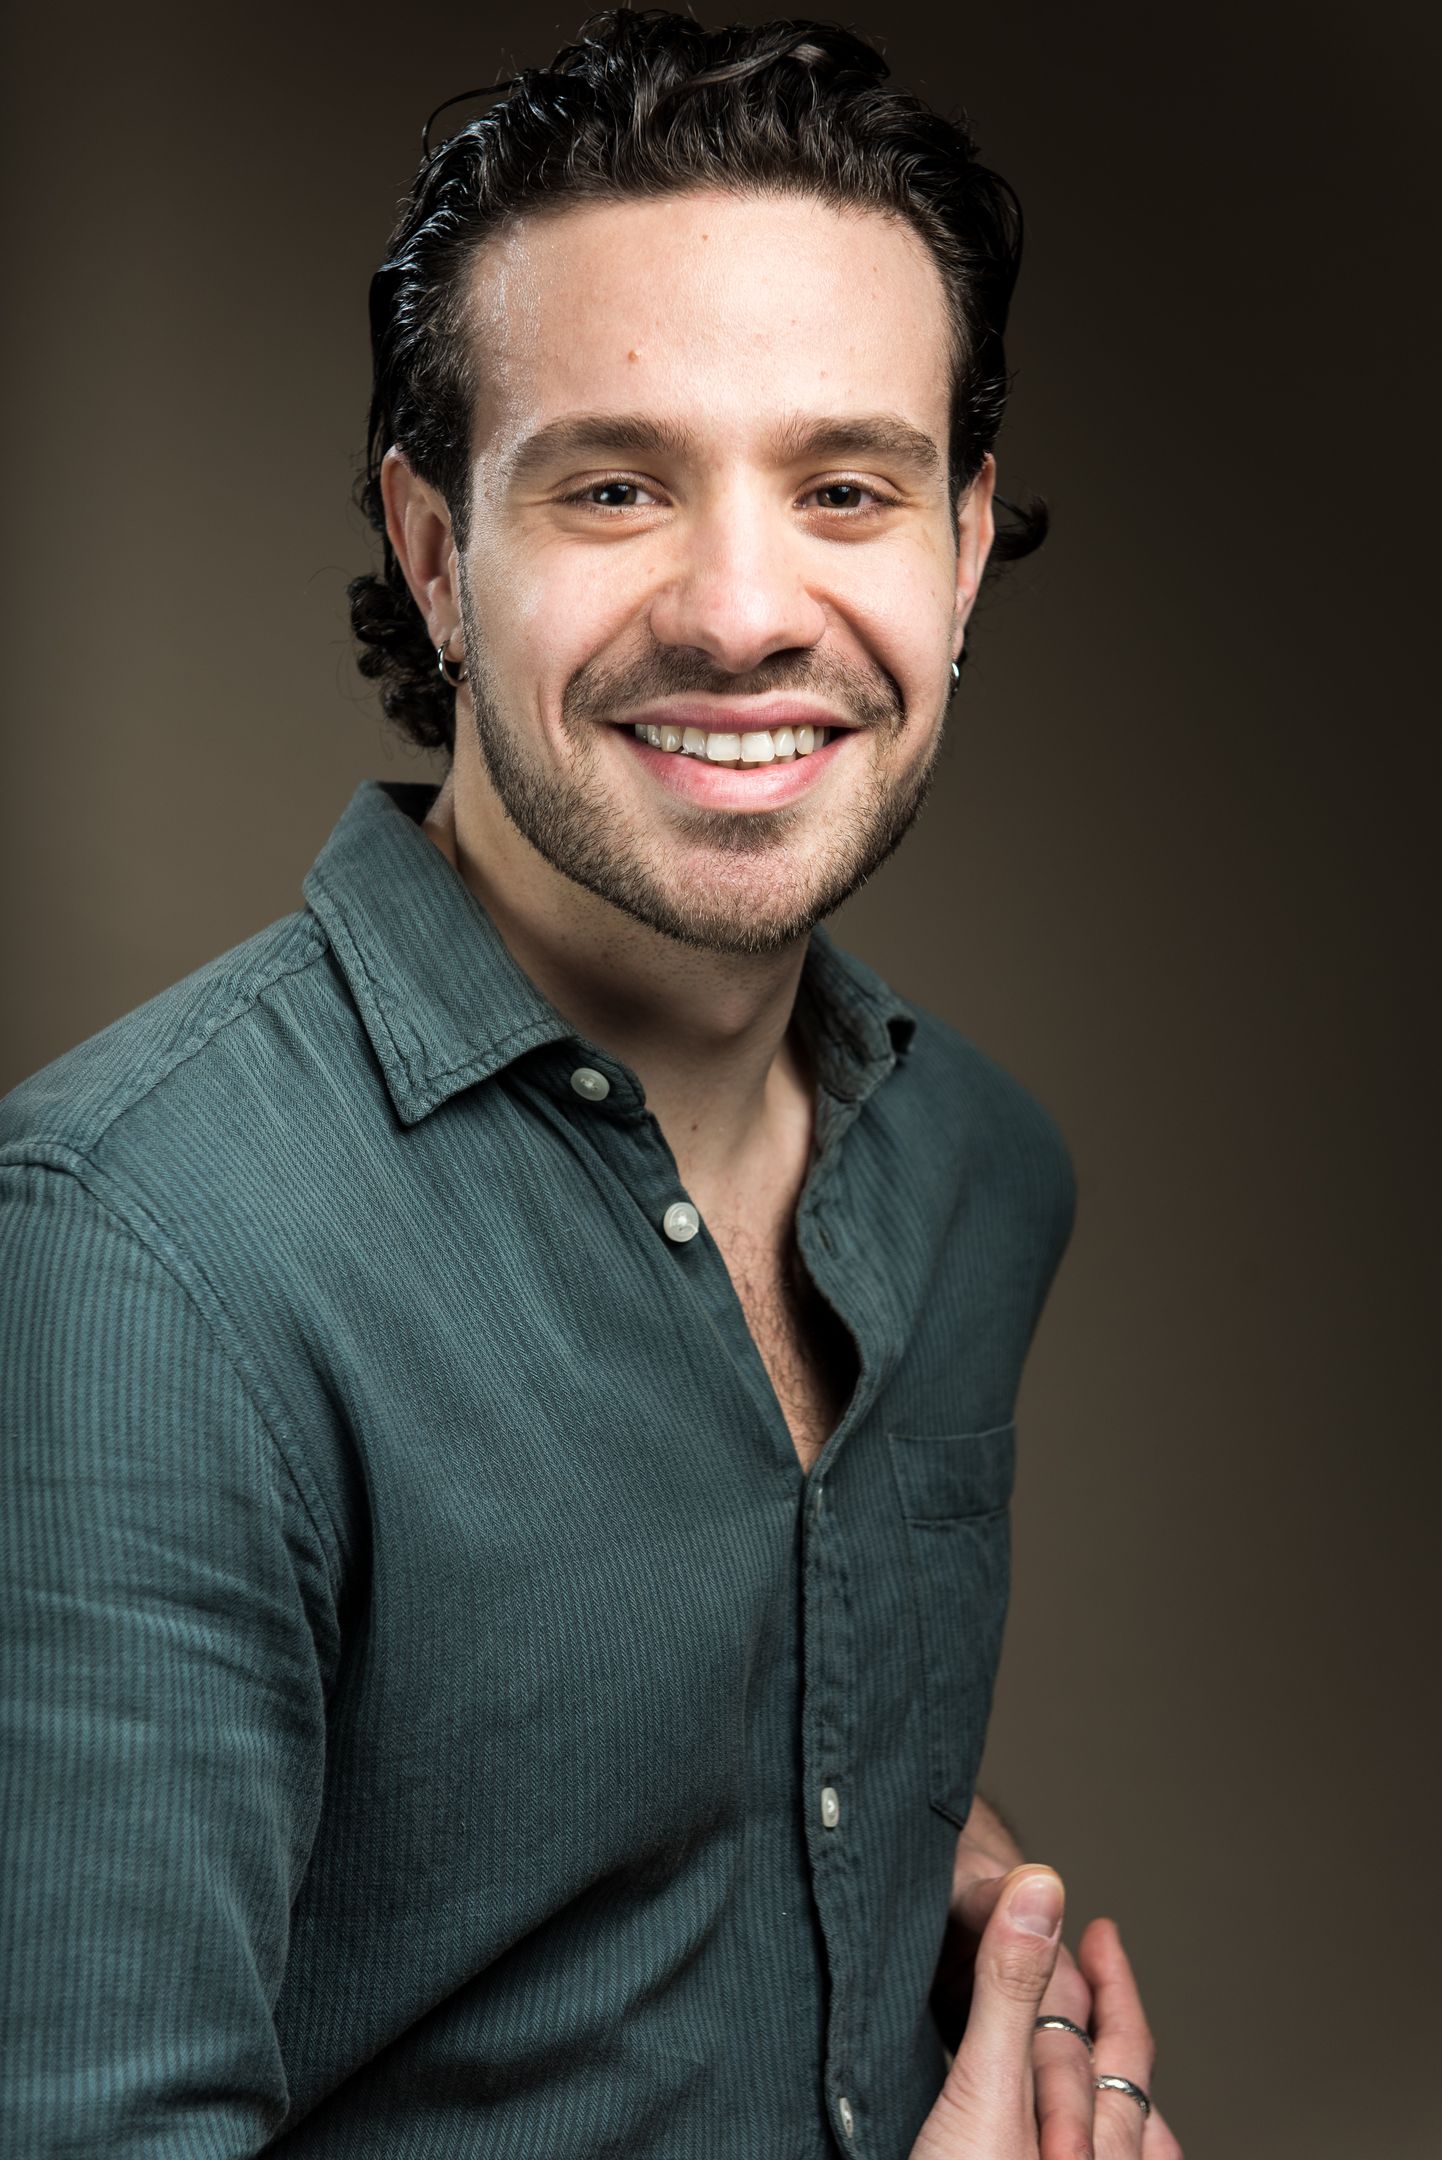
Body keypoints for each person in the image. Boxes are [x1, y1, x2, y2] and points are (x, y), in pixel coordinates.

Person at [0, 11, 1181, 2156]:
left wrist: (956, 1894)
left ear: (958, 549)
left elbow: (724, 1758)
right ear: (437, 553)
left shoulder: (978, 1172)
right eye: (615, 486)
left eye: (844, 489)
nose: (741, 612)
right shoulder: (135, 1262)